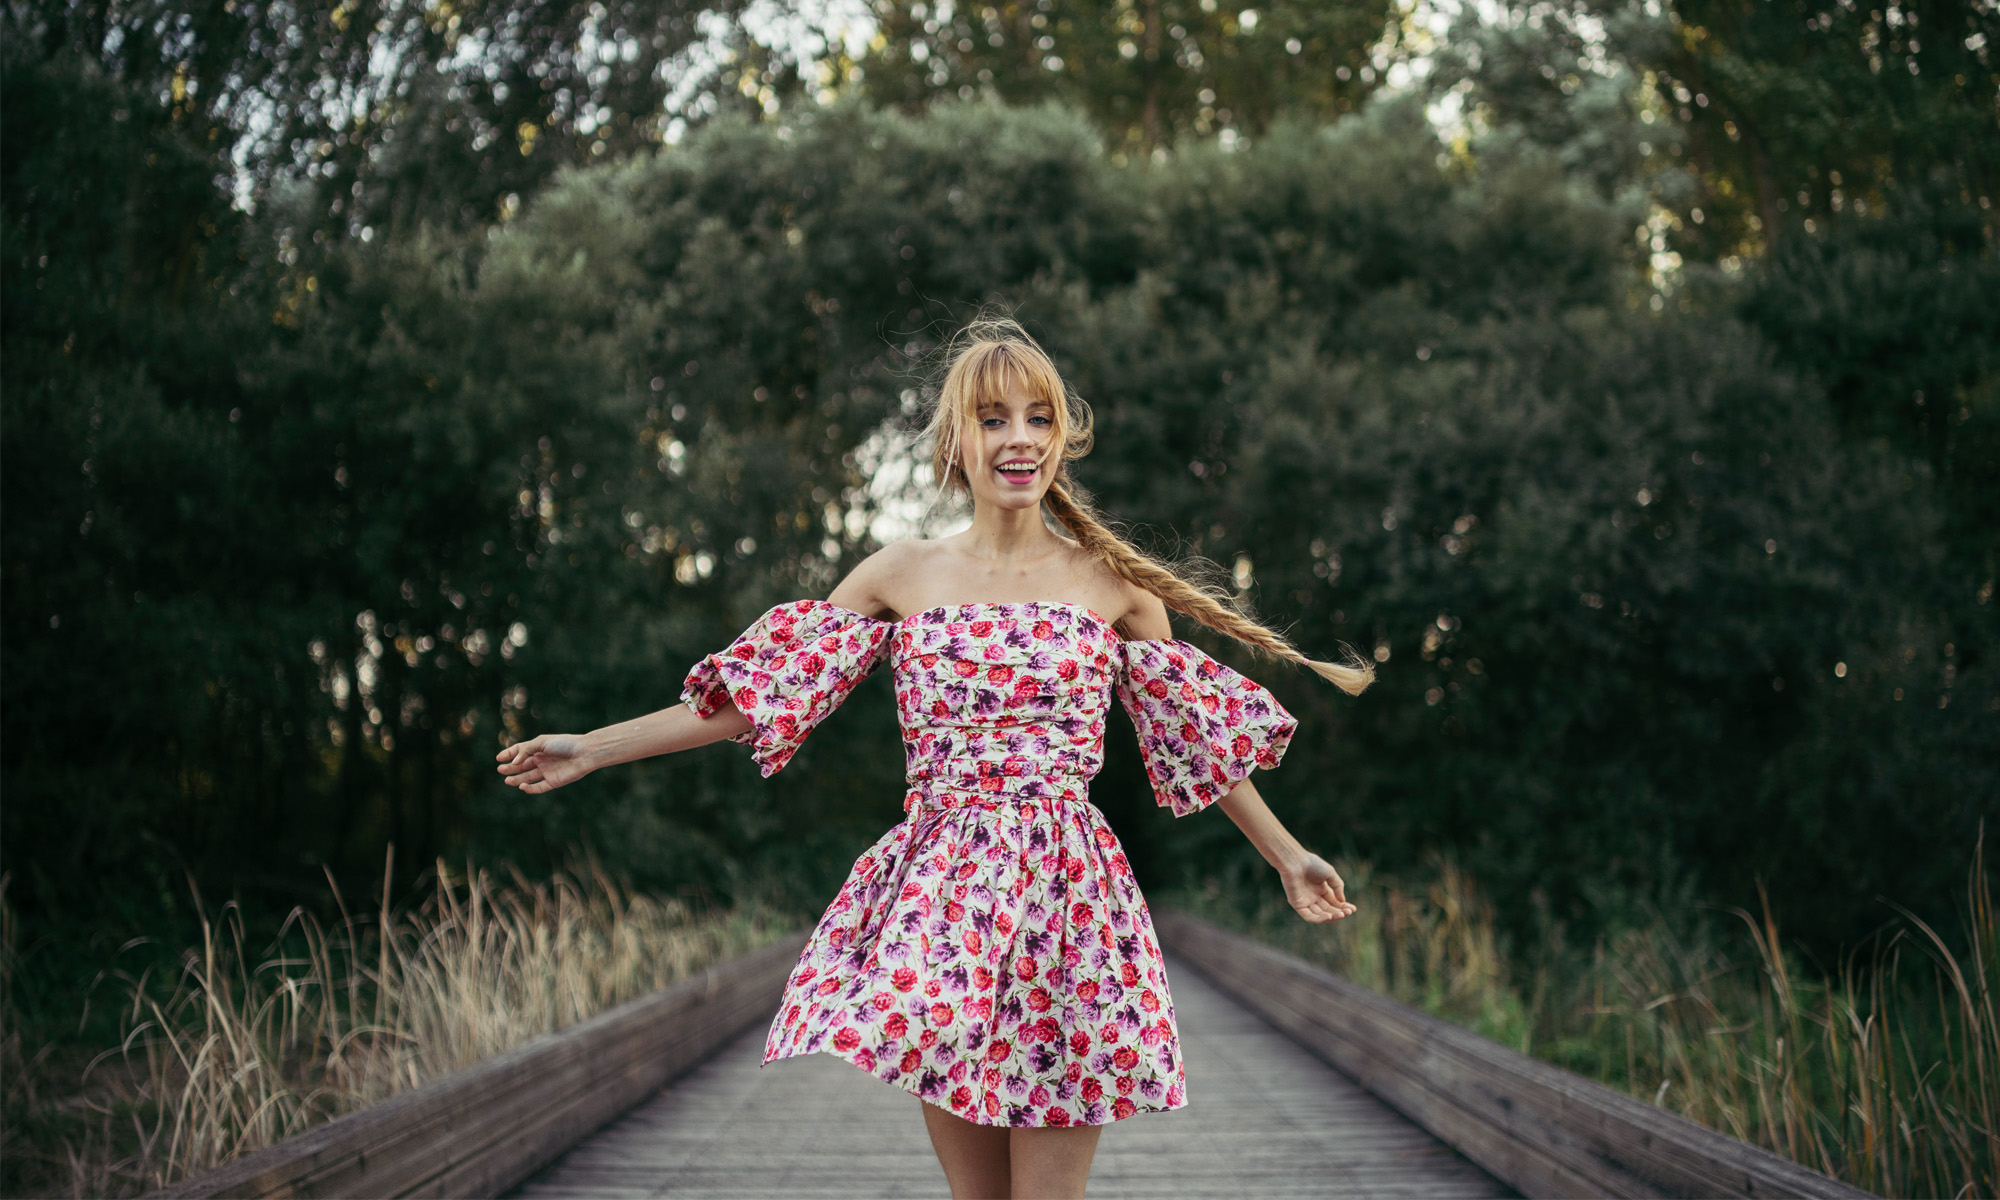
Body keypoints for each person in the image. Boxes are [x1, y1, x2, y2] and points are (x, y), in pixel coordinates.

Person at [495, 316, 1373, 1199]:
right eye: (994, 419)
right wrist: (592, 748)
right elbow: (754, 700)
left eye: (1039, 418)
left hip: (1069, 901)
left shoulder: (1113, 585)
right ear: (957, 440)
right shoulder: (900, 573)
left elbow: (1197, 744)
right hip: (945, 903)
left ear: (1063, 438)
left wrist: (1287, 855)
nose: (1019, 438)